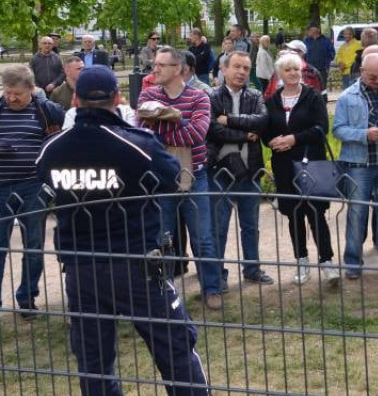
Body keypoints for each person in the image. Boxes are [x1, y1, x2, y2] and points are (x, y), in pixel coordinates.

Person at [35, 66, 241, 396]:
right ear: (117, 99)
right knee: (175, 346)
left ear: (75, 100)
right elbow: (171, 175)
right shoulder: (136, 143)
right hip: (136, 264)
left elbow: (43, 177)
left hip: (82, 268)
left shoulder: (54, 148)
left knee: (95, 364)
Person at [136, 46, 221, 307]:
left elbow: (197, 134)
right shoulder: (148, 94)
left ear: (178, 69)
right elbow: (141, 134)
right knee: (162, 238)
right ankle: (162, 293)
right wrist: (177, 123)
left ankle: (212, 288)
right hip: (160, 180)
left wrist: (162, 128)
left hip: (195, 176)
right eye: (154, 64)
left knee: (203, 238)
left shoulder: (199, 97)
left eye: (161, 65)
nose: (155, 69)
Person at [0, 65, 64, 325]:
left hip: (33, 186)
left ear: (32, 89)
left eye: (17, 93)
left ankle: (27, 298)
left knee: (33, 246)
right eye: (7, 92)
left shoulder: (47, 111)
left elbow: (56, 143)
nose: (11, 97)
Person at [264, 52, 339, 285]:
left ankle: (327, 261)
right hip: (284, 166)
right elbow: (265, 130)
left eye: (296, 69)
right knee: (294, 214)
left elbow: (321, 128)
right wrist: (272, 142)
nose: (293, 73)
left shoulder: (312, 96)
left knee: (316, 213)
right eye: (288, 70)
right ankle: (302, 261)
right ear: (280, 73)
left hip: (310, 163)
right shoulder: (272, 101)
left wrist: (294, 139)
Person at [333, 52, 378, 278]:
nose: (377, 80)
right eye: (373, 76)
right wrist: (364, 134)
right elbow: (338, 129)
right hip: (360, 164)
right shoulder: (348, 96)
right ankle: (353, 263)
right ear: (362, 72)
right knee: (357, 213)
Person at [207, 50, 273, 288]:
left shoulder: (255, 95)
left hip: (250, 170)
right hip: (220, 171)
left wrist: (230, 120)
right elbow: (213, 129)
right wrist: (245, 134)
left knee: (250, 225)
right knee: (219, 226)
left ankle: (252, 270)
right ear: (224, 69)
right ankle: (217, 276)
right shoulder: (212, 97)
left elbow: (262, 121)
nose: (242, 72)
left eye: (246, 68)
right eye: (236, 66)